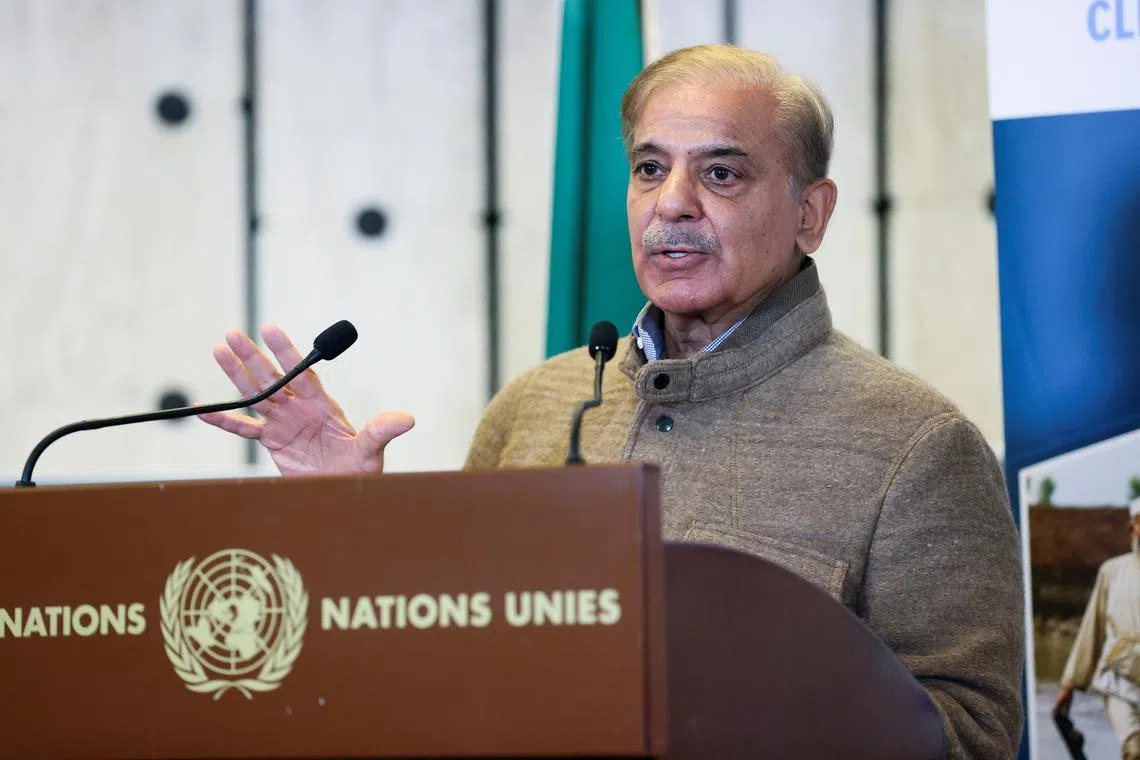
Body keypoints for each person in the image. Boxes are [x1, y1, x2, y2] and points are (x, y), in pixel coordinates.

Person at [200, 44, 1024, 759]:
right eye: (650, 168)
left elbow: (973, 733)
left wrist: (757, 698)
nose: (673, 203)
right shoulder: (537, 402)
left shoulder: (919, 443)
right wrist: (349, 520)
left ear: (810, 213)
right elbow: (440, 646)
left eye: (722, 172)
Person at [1055, 498, 1140, 759]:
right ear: (1132, 527)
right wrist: (1070, 684)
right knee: (1134, 748)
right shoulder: (1112, 572)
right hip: (1119, 677)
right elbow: (1092, 629)